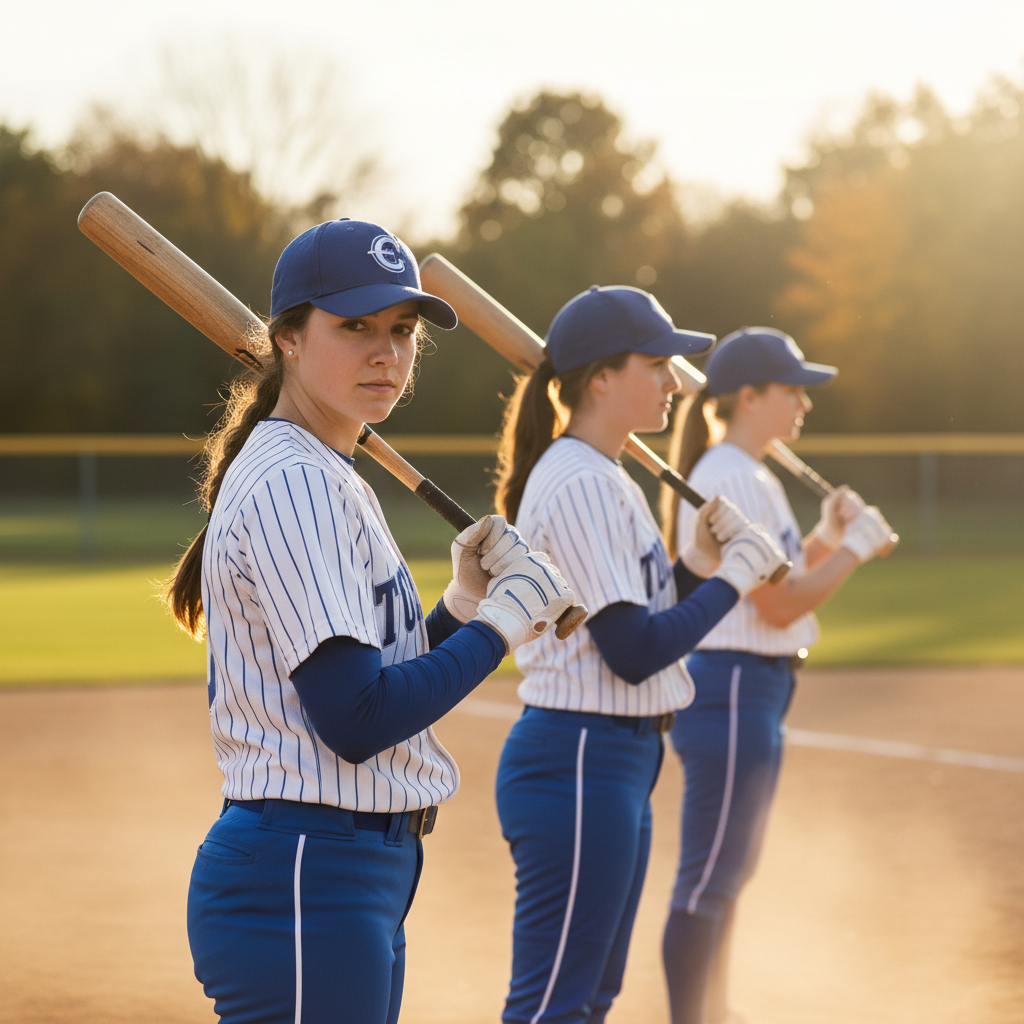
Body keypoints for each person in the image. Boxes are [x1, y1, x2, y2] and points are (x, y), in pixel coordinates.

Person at [166, 217, 577, 1024]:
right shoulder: (295, 480)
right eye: (355, 327)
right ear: (288, 340)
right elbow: (356, 719)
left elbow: (372, 673)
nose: (386, 352)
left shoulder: (329, 472)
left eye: (402, 330)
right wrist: (501, 625)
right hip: (305, 871)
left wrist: (461, 609)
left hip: (342, 867)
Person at [491, 286, 789, 1024]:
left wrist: (697, 562)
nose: (675, 382)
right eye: (655, 365)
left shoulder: (603, 473)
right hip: (580, 756)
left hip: (613, 758)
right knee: (554, 1005)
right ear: (600, 378)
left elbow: (638, 609)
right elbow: (634, 650)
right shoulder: (581, 480)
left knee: (591, 997)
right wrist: (734, 579)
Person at [658, 327, 895, 1024]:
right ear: (749, 398)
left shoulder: (747, 473)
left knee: (728, 872)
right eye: (791, 390)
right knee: (711, 876)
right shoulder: (729, 476)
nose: (803, 404)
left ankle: (714, 1011)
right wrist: (854, 549)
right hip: (732, 684)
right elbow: (781, 603)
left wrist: (827, 538)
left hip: (751, 684)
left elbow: (780, 575)